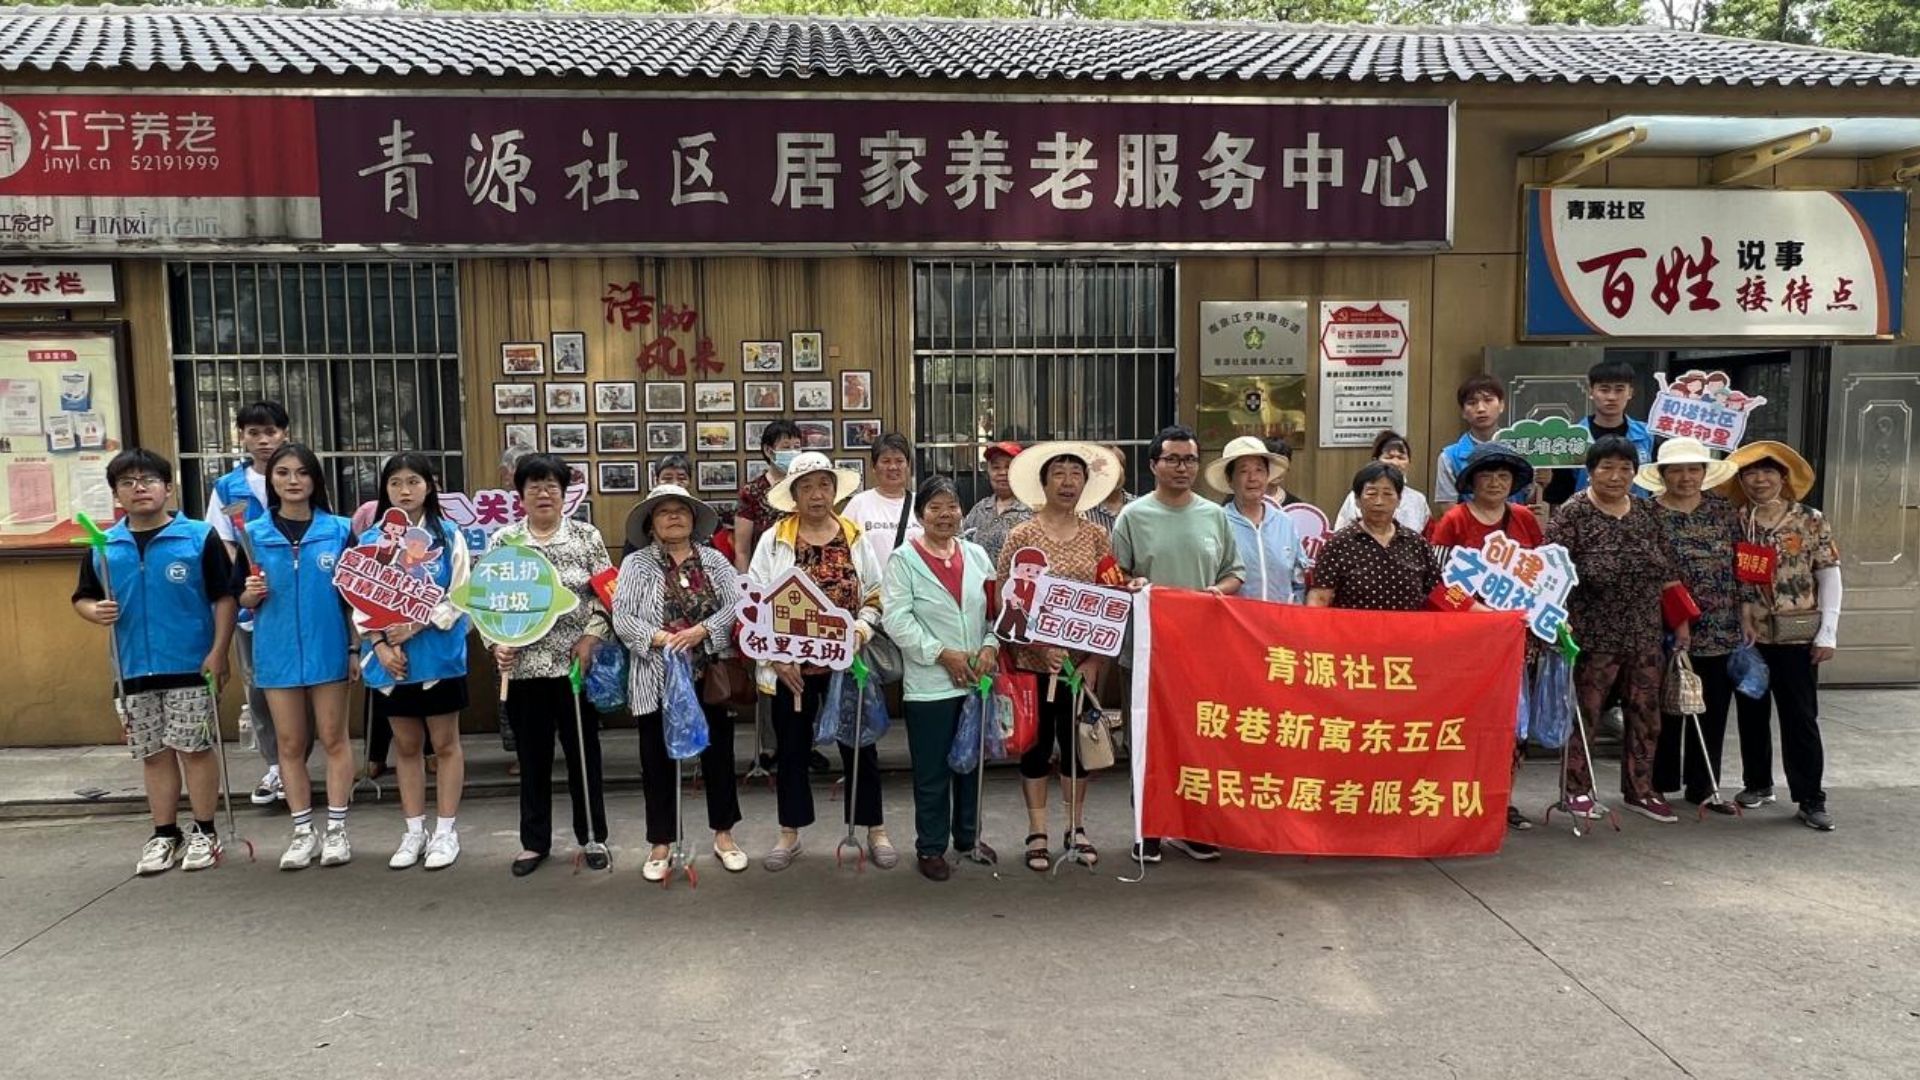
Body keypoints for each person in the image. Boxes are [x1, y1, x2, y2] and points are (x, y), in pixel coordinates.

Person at [73, 449, 237, 874]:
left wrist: (218, 652)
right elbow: (83, 598)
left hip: (190, 665)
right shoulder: (104, 546)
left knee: (194, 749)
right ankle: (164, 833)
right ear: (116, 494)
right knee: (153, 754)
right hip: (133, 670)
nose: (139, 488)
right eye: (127, 483)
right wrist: (94, 611)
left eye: (148, 480)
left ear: (168, 487)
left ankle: (205, 831)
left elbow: (224, 597)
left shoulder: (199, 537)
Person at [747, 453, 891, 871]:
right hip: (790, 669)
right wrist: (776, 655)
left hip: (846, 662)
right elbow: (755, 601)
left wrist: (860, 630)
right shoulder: (774, 539)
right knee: (792, 749)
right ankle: (789, 833)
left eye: (824, 485)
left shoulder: (853, 535)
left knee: (860, 745)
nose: (816, 494)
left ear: (834, 490)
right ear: (793, 495)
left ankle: (874, 829)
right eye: (806, 487)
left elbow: (875, 593)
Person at [1113, 425, 1244, 863]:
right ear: (1154, 465)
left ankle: (1193, 826)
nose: (1182, 467)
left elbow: (1234, 572)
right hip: (1146, 651)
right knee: (1146, 738)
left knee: (1198, 737)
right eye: (1172, 459)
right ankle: (1147, 828)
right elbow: (1114, 574)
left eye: (1189, 459)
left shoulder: (1214, 516)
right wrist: (1133, 584)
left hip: (1201, 652)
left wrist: (1216, 593)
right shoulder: (1133, 517)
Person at [1544, 436, 1690, 824]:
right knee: (1585, 714)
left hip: (1644, 633)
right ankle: (1575, 789)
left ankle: (1640, 789)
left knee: (1646, 715)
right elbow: (1550, 573)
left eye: (1625, 468)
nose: (1616, 476)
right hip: (1591, 636)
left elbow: (1668, 573)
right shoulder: (1572, 514)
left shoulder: (1646, 512)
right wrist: (1559, 622)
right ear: (1590, 472)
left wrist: (1680, 623)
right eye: (1606, 467)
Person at [612, 484, 750, 879]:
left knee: (718, 756)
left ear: (693, 519)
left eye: (681, 510)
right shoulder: (636, 564)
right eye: (663, 511)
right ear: (650, 524)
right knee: (656, 760)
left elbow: (737, 604)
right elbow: (623, 616)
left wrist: (702, 631)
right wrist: (661, 638)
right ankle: (661, 842)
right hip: (656, 674)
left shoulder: (714, 559)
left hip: (709, 673)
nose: (674, 516)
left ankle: (724, 835)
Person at [235, 444, 361, 869]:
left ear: (315, 480)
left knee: (334, 739)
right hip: (277, 654)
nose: (293, 481)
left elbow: (354, 600)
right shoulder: (252, 535)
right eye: (283, 472)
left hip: (329, 651)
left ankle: (338, 829)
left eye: (302, 472)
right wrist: (248, 595)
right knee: (289, 744)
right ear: (270, 480)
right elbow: (237, 599)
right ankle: (303, 831)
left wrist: (355, 647)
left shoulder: (340, 531)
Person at [490, 454, 614, 877]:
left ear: (564, 494)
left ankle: (593, 836)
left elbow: (607, 594)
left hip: (575, 667)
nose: (543, 494)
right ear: (520, 494)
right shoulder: (505, 541)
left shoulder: (586, 536)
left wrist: (592, 637)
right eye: (534, 486)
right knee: (532, 758)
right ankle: (534, 842)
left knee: (584, 756)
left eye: (551, 487)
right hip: (524, 668)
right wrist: (496, 644)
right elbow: (487, 601)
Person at [997, 442, 1119, 872]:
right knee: (1035, 746)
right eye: (1059, 474)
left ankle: (1075, 826)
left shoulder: (1098, 536)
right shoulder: (1021, 536)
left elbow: (1111, 600)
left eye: (1076, 474)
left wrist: (1094, 661)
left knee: (1077, 746)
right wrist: (1036, 648)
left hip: (1079, 668)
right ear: (1044, 482)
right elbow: (1004, 602)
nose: (1068, 483)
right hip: (1031, 665)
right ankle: (1037, 831)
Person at [1717, 441, 1841, 831]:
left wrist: (1828, 633)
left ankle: (1811, 797)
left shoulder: (1809, 519)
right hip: (1749, 636)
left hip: (1796, 636)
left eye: (1768, 471)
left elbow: (1829, 574)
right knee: (1751, 712)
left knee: (1800, 716)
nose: (1760, 479)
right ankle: (1757, 783)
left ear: (1783, 477)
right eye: (1751, 473)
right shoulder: (1736, 521)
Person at [883, 476, 1000, 881]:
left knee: (971, 766)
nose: (944, 514)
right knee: (933, 773)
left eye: (951, 506)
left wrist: (990, 646)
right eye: (935, 507)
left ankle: (968, 837)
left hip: (975, 681)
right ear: (920, 515)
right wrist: (941, 654)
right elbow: (897, 620)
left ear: (962, 512)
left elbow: (994, 612)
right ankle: (931, 847)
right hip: (929, 686)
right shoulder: (903, 560)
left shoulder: (977, 555)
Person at [360, 453, 473, 870]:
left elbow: (461, 595)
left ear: (429, 486)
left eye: (413, 482)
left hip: (438, 655)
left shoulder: (449, 534)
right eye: (395, 483)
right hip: (390, 661)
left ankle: (446, 831)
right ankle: (413, 831)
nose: (404, 491)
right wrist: (380, 646)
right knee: (406, 746)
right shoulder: (371, 538)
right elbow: (359, 598)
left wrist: (416, 624)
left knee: (444, 745)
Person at [1426, 442, 1542, 830]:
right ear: (1471, 481)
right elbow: (1437, 586)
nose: (1495, 483)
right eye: (1487, 475)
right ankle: (1458, 797)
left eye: (1503, 476)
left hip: (1517, 638)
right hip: (1467, 640)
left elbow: (1543, 576)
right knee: (1466, 721)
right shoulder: (1454, 521)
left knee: (1512, 722)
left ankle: (1502, 799)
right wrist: (1481, 614)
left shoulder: (1524, 519)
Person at [1637, 439, 1744, 817]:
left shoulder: (1722, 510)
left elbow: (1740, 562)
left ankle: (1705, 786)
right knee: (1665, 705)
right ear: (1663, 475)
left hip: (1720, 624)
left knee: (1712, 706)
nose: (1686, 477)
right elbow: (1653, 570)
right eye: (1677, 470)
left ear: (1704, 472)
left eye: (1694, 469)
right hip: (1664, 624)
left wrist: (1747, 609)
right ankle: (1659, 783)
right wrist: (1678, 619)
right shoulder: (1648, 513)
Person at [205, 400, 297, 808]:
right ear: (241, 436)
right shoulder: (228, 487)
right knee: (258, 685)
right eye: (254, 433)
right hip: (251, 604)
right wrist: (245, 576)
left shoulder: (298, 475)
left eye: (271, 432)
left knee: (305, 684)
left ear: (285, 433)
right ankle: (275, 765)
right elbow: (223, 540)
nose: (263, 440)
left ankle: (303, 764)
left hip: (297, 602)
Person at [1307, 462, 1442, 612]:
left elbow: (1437, 594)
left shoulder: (1417, 543)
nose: (1379, 502)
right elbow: (1320, 597)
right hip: (1353, 626)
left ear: (1399, 500)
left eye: (1387, 494)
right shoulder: (1338, 543)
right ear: (1357, 499)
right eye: (1371, 494)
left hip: (1408, 626)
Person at [1205, 435, 1305, 604]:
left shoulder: (1285, 523)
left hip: (1279, 618)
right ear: (1230, 479)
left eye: (1259, 470)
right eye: (1244, 471)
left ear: (1267, 476)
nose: (1253, 478)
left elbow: (1299, 581)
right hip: (1234, 619)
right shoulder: (1217, 522)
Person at [1544, 358, 1654, 504]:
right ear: (1591, 392)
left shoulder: (1648, 435)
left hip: (1637, 514)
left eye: (1619, 390)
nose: (1611, 397)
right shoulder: (1571, 438)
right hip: (1584, 514)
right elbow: (1559, 493)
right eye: (1604, 390)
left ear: (1630, 393)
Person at [1433, 374, 1529, 510]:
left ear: (1501, 405)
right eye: (1472, 403)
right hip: (1470, 523)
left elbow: (1530, 500)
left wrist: (1543, 483)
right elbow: (1448, 507)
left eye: (1488, 400)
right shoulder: (1449, 456)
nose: (1481, 409)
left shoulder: (1522, 448)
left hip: (1516, 522)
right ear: (1463, 412)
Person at [496, 444, 532, 776]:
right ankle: (523, 753)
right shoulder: (492, 512)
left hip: (548, 615)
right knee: (511, 693)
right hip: (508, 618)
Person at [842, 432, 921, 575]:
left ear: (908, 466)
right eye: (886, 461)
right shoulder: (858, 504)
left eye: (899, 461)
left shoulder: (921, 503)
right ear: (874, 466)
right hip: (873, 588)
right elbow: (842, 548)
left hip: (915, 587)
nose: (893, 467)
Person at [734, 420, 803, 576]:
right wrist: (746, 585)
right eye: (786, 447)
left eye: (797, 447)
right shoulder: (752, 492)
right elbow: (742, 551)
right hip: (764, 573)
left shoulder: (804, 488)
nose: (793, 452)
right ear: (768, 451)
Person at [1334, 430, 1431, 533]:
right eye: (1389, 457)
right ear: (1376, 460)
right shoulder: (1359, 495)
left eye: (1401, 458)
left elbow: (1427, 536)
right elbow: (1340, 533)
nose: (1395, 463)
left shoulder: (1418, 499)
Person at [960, 441, 1031, 563]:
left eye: (1009, 467)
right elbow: (962, 544)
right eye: (996, 467)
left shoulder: (1033, 510)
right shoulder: (980, 509)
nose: (1002, 472)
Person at [1083, 444, 1134, 533]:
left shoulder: (1139, 506)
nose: (1114, 473)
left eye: (1117, 465)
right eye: (1107, 468)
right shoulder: (1083, 511)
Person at [1262, 437, 1306, 507]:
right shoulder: (1244, 501)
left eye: (1282, 465)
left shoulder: (1296, 506)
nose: (1278, 471)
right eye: (1272, 464)